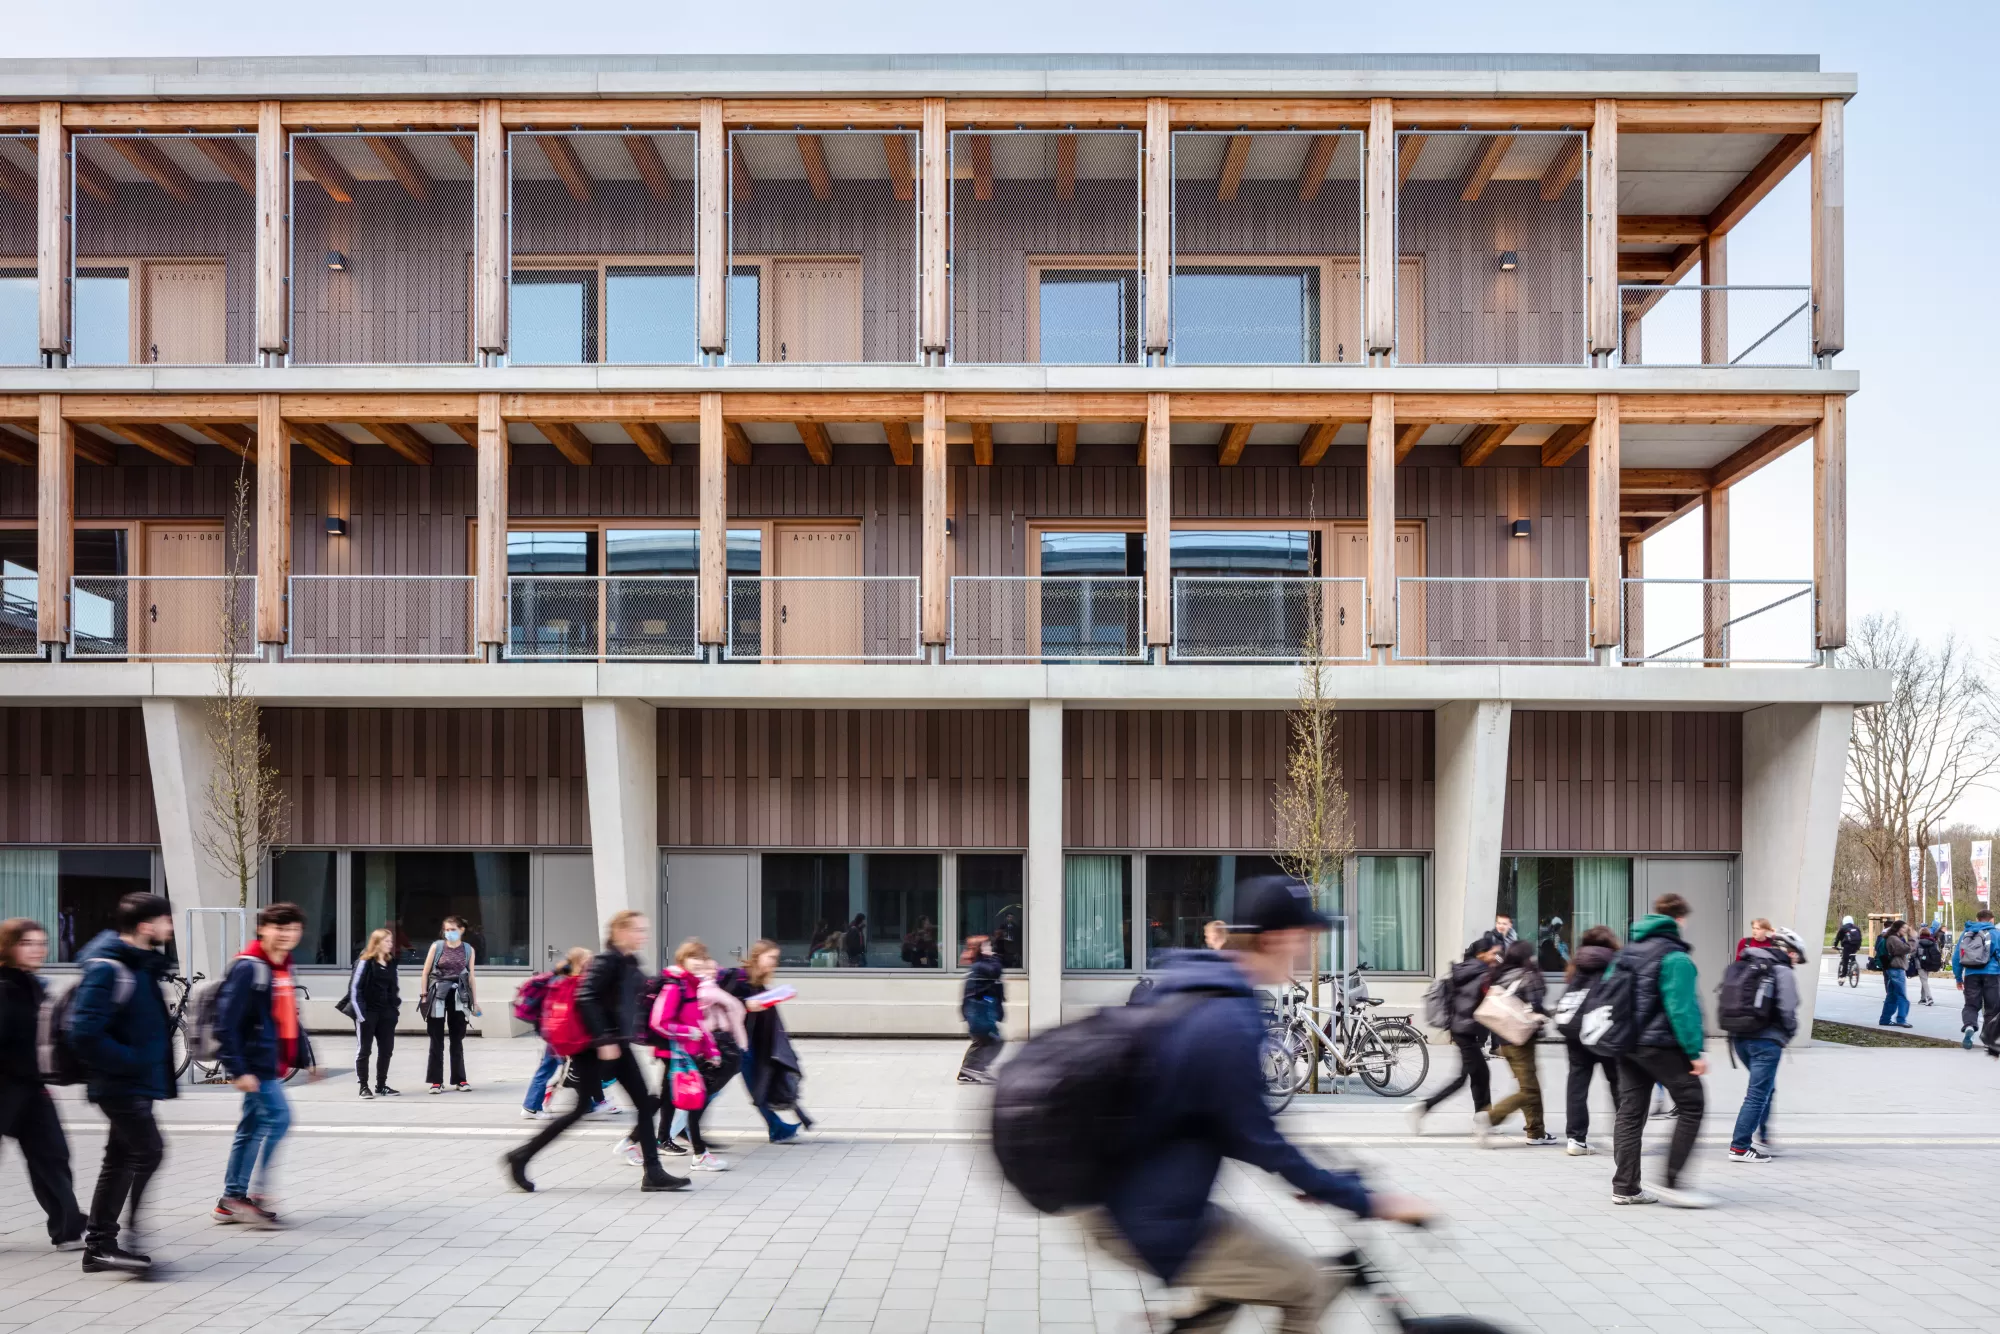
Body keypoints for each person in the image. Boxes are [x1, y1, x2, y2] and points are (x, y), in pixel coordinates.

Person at [1082, 875, 1431, 1334]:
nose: (1307, 951)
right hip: (1153, 1217)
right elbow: (1261, 1141)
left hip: (1131, 1200)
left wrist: (1319, 1177)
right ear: (1274, 937)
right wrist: (1370, 1201)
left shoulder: (1201, 987)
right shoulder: (1228, 1018)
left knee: (1227, 1294)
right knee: (1304, 1287)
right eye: (1304, 937)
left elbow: (1239, 1124)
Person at [504, 910, 685, 1194]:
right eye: (638, 929)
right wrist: (603, 1040)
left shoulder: (629, 962)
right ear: (621, 931)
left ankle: (653, 1172)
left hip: (618, 1044)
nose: (644, 935)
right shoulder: (606, 961)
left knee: (645, 1102)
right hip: (594, 1049)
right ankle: (520, 1156)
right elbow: (585, 997)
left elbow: (637, 997)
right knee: (580, 1109)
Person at [67, 891, 176, 1274]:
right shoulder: (109, 968)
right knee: (148, 1152)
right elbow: (83, 1032)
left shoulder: (140, 964)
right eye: (166, 920)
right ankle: (118, 1237)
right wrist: (130, 1063)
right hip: (120, 1083)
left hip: (133, 1082)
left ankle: (100, 1245)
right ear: (147, 926)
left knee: (121, 1158)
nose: (171, 927)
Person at [214, 902, 320, 1228]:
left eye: (292, 929)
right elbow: (225, 1022)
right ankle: (252, 1195)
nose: (286, 934)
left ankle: (230, 1200)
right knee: (280, 1118)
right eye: (279, 927)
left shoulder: (283, 965)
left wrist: (307, 1058)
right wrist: (237, 1069)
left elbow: (288, 1016)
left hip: (268, 1061)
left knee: (251, 1127)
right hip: (255, 1064)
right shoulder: (250, 967)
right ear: (262, 929)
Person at [1610, 893, 1709, 1208]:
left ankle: (1625, 1187)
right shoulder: (1676, 958)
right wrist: (1695, 1052)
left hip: (1626, 1044)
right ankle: (1672, 1181)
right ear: (1679, 920)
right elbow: (1683, 1010)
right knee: (1692, 1104)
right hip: (1660, 1044)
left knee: (1630, 1113)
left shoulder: (1626, 952)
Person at [0, 918, 85, 1250]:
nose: (38, 949)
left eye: (41, 942)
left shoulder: (33, 984)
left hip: (31, 1088)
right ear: (8, 947)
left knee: (52, 1155)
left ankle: (67, 1228)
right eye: (27, 943)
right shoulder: (4, 987)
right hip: (5, 1087)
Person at [1407, 934, 1503, 1134]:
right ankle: (1423, 1108)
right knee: (1467, 1077)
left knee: (1478, 1074)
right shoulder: (1481, 973)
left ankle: (1482, 1117)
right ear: (1482, 954)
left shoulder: (1467, 969)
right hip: (1467, 1029)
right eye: (1493, 953)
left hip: (1461, 1028)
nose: (1496, 956)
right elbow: (1487, 1000)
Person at [722, 939, 812, 1143]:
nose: (774, 962)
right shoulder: (738, 977)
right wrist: (746, 1005)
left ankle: (777, 1127)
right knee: (716, 1089)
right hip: (731, 1043)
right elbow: (722, 1005)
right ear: (758, 956)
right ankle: (682, 1126)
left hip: (747, 1043)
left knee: (757, 1086)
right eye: (771, 957)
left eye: (776, 959)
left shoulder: (758, 983)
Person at [1727, 927, 1803, 1165]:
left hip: (1739, 1038)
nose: (1797, 962)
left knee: (1765, 1089)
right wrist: (1787, 1033)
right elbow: (1788, 1008)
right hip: (1766, 1041)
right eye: (1797, 957)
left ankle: (1763, 1136)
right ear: (1790, 952)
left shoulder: (1746, 962)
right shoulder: (1783, 971)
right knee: (1757, 1094)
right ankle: (1740, 1146)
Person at [1476, 939, 1556, 1147]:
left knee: (1531, 1086)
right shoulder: (1528, 975)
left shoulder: (1502, 973)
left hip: (1504, 1039)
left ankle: (1536, 1132)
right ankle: (1491, 1117)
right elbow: (1536, 1005)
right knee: (1529, 1089)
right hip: (1522, 1040)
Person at [522, 948, 612, 1120]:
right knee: (550, 1068)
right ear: (580, 961)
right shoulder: (569, 980)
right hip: (559, 1033)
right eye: (588, 958)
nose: (592, 962)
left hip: (558, 1031)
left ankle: (591, 1103)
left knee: (574, 1067)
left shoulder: (568, 977)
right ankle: (531, 1106)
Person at [1561, 925, 1622, 1157]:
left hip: (1576, 1030)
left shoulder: (1578, 962)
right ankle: (1622, 1139)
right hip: (1604, 1029)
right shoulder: (1615, 962)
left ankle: (1576, 1139)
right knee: (1618, 1085)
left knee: (1577, 1084)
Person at [418, 916, 481, 1092]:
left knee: (457, 1038)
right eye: (446, 930)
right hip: (437, 993)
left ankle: (460, 1079)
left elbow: (471, 977)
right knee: (436, 1039)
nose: (449, 933)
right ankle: (436, 1081)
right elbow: (425, 972)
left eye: (453, 929)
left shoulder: (468, 949)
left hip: (459, 994)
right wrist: (424, 996)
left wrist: (475, 1003)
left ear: (461, 930)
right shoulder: (437, 947)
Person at [348, 927, 400, 1098]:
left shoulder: (391, 962)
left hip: (386, 1013)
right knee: (364, 1050)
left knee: (386, 1050)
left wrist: (394, 1010)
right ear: (377, 943)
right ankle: (363, 1086)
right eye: (387, 941)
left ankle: (381, 1085)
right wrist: (361, 1015)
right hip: (367, 1012)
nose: (390, 944)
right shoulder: (365, 961)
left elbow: (394, 987)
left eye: (391, 941)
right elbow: (355, 989)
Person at [957, 935, 1005, 1085]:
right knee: (993, 1041)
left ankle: (970, 1071)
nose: (990, 948)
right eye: (987, 945)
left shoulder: (980, 964)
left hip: (980, 1011)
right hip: (979, 1011)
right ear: (980, 949)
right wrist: (992, 957)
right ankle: (973, 1069)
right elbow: (996, 971)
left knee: (982, 1041)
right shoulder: (981, 966)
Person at [1953, 908, 2000, 1055]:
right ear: (1992, 919)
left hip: (1971, 974)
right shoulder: (1996, 933)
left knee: (1971, 1005)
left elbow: (1956, 957)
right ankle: (1989, 1041)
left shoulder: (1967, 933)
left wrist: (1958, 978)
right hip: (1992, 974)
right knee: (1992, 1008)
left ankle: (1969, 1027)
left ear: (1977, 919)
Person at [1877, 919, 1913, 1029]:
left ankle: (1885, 1019)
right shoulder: (1893, 938)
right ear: (1897, 928)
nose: (1905, 930)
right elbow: (1905, 949)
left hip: (1891, 969)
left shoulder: (1890, 937)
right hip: (1896, 969)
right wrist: (1912, 938)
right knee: (1902, 996)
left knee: (1892, 996)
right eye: (1903, 928)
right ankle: (1901, 1019)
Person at [1914, 925, 1943, 1006]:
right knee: (1924, 980)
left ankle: (1929, 998)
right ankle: (1922, 998)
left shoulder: (1917, 942)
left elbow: (1913, 954)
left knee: (1924, 981)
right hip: (1929, 963)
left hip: (1920, 963)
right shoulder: (1933, 942)